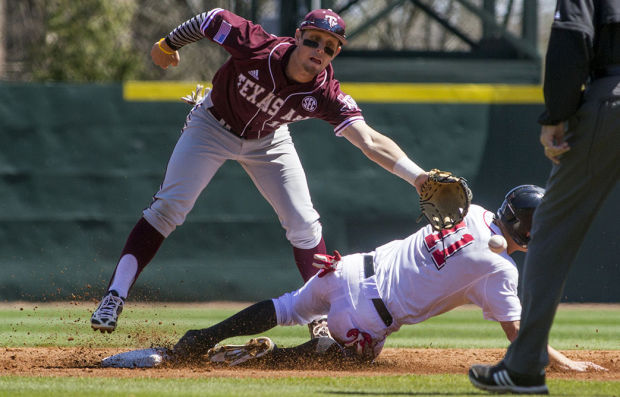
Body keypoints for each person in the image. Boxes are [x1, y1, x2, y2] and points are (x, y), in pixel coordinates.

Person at [90, 8, 428, 334]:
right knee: (168, 208)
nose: (319, 51)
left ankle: (319, 319)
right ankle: (114, 296)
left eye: (330, 47)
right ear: (297, 37)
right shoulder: (255, 45)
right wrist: (169, 44)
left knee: (304, 224)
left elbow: (369, 140)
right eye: (313, 40)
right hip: (212, 125)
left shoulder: (324, 92)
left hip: (269, 140)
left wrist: (419, 178)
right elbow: (212, 18)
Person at [102, 185, 603, 373]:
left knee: (285, 307)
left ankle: (195, 342)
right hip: (364, 318)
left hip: (346, 267)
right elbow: (523, 344)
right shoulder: (499, 270)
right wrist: (567, 365)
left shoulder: (473, 213)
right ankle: (273, 362)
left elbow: (470, 218)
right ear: (522, 229)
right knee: (359, 355)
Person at [468, 1, 619, 394]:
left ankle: (524, 367)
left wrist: (556, 115)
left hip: (612, 98)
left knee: (549, 233)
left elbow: (572, 39)